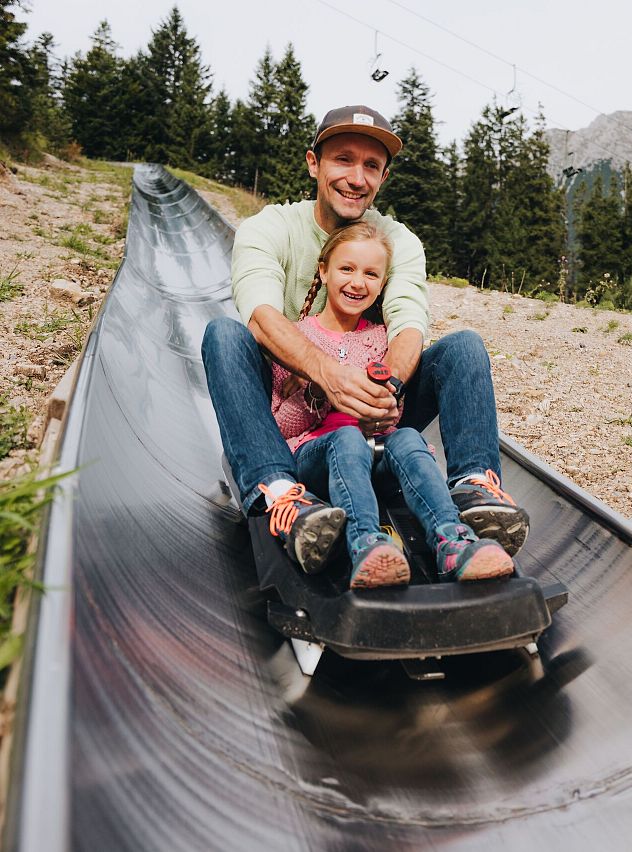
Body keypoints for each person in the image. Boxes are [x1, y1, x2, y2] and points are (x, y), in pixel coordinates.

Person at [201, 104, 529, 576]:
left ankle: (476, 487)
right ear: (314, 163)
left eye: (370, 166)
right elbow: (260, 314)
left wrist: (384, 390)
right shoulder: (270, 229)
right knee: (223, 336)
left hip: (377, 418)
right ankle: (278, 491)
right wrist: (327, 375)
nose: (356, 177)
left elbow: (408, 323)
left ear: (383, 177)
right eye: (343, 160)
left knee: (463, 349)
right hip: (290, 416)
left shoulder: (397, 241)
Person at [269, 220, 515, 588]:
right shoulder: (298, 338)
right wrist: (314, 392)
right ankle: (365, 542)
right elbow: (282, 425)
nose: (357, 282)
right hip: (316, 458)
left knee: (408, 438)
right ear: (324, 270)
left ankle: (453, 540)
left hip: (374, 456)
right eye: (347, 269)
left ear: (382, 284)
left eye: (371, 274)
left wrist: (380, 410)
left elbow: (393, 417)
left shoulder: (380, 338)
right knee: (347, 440)